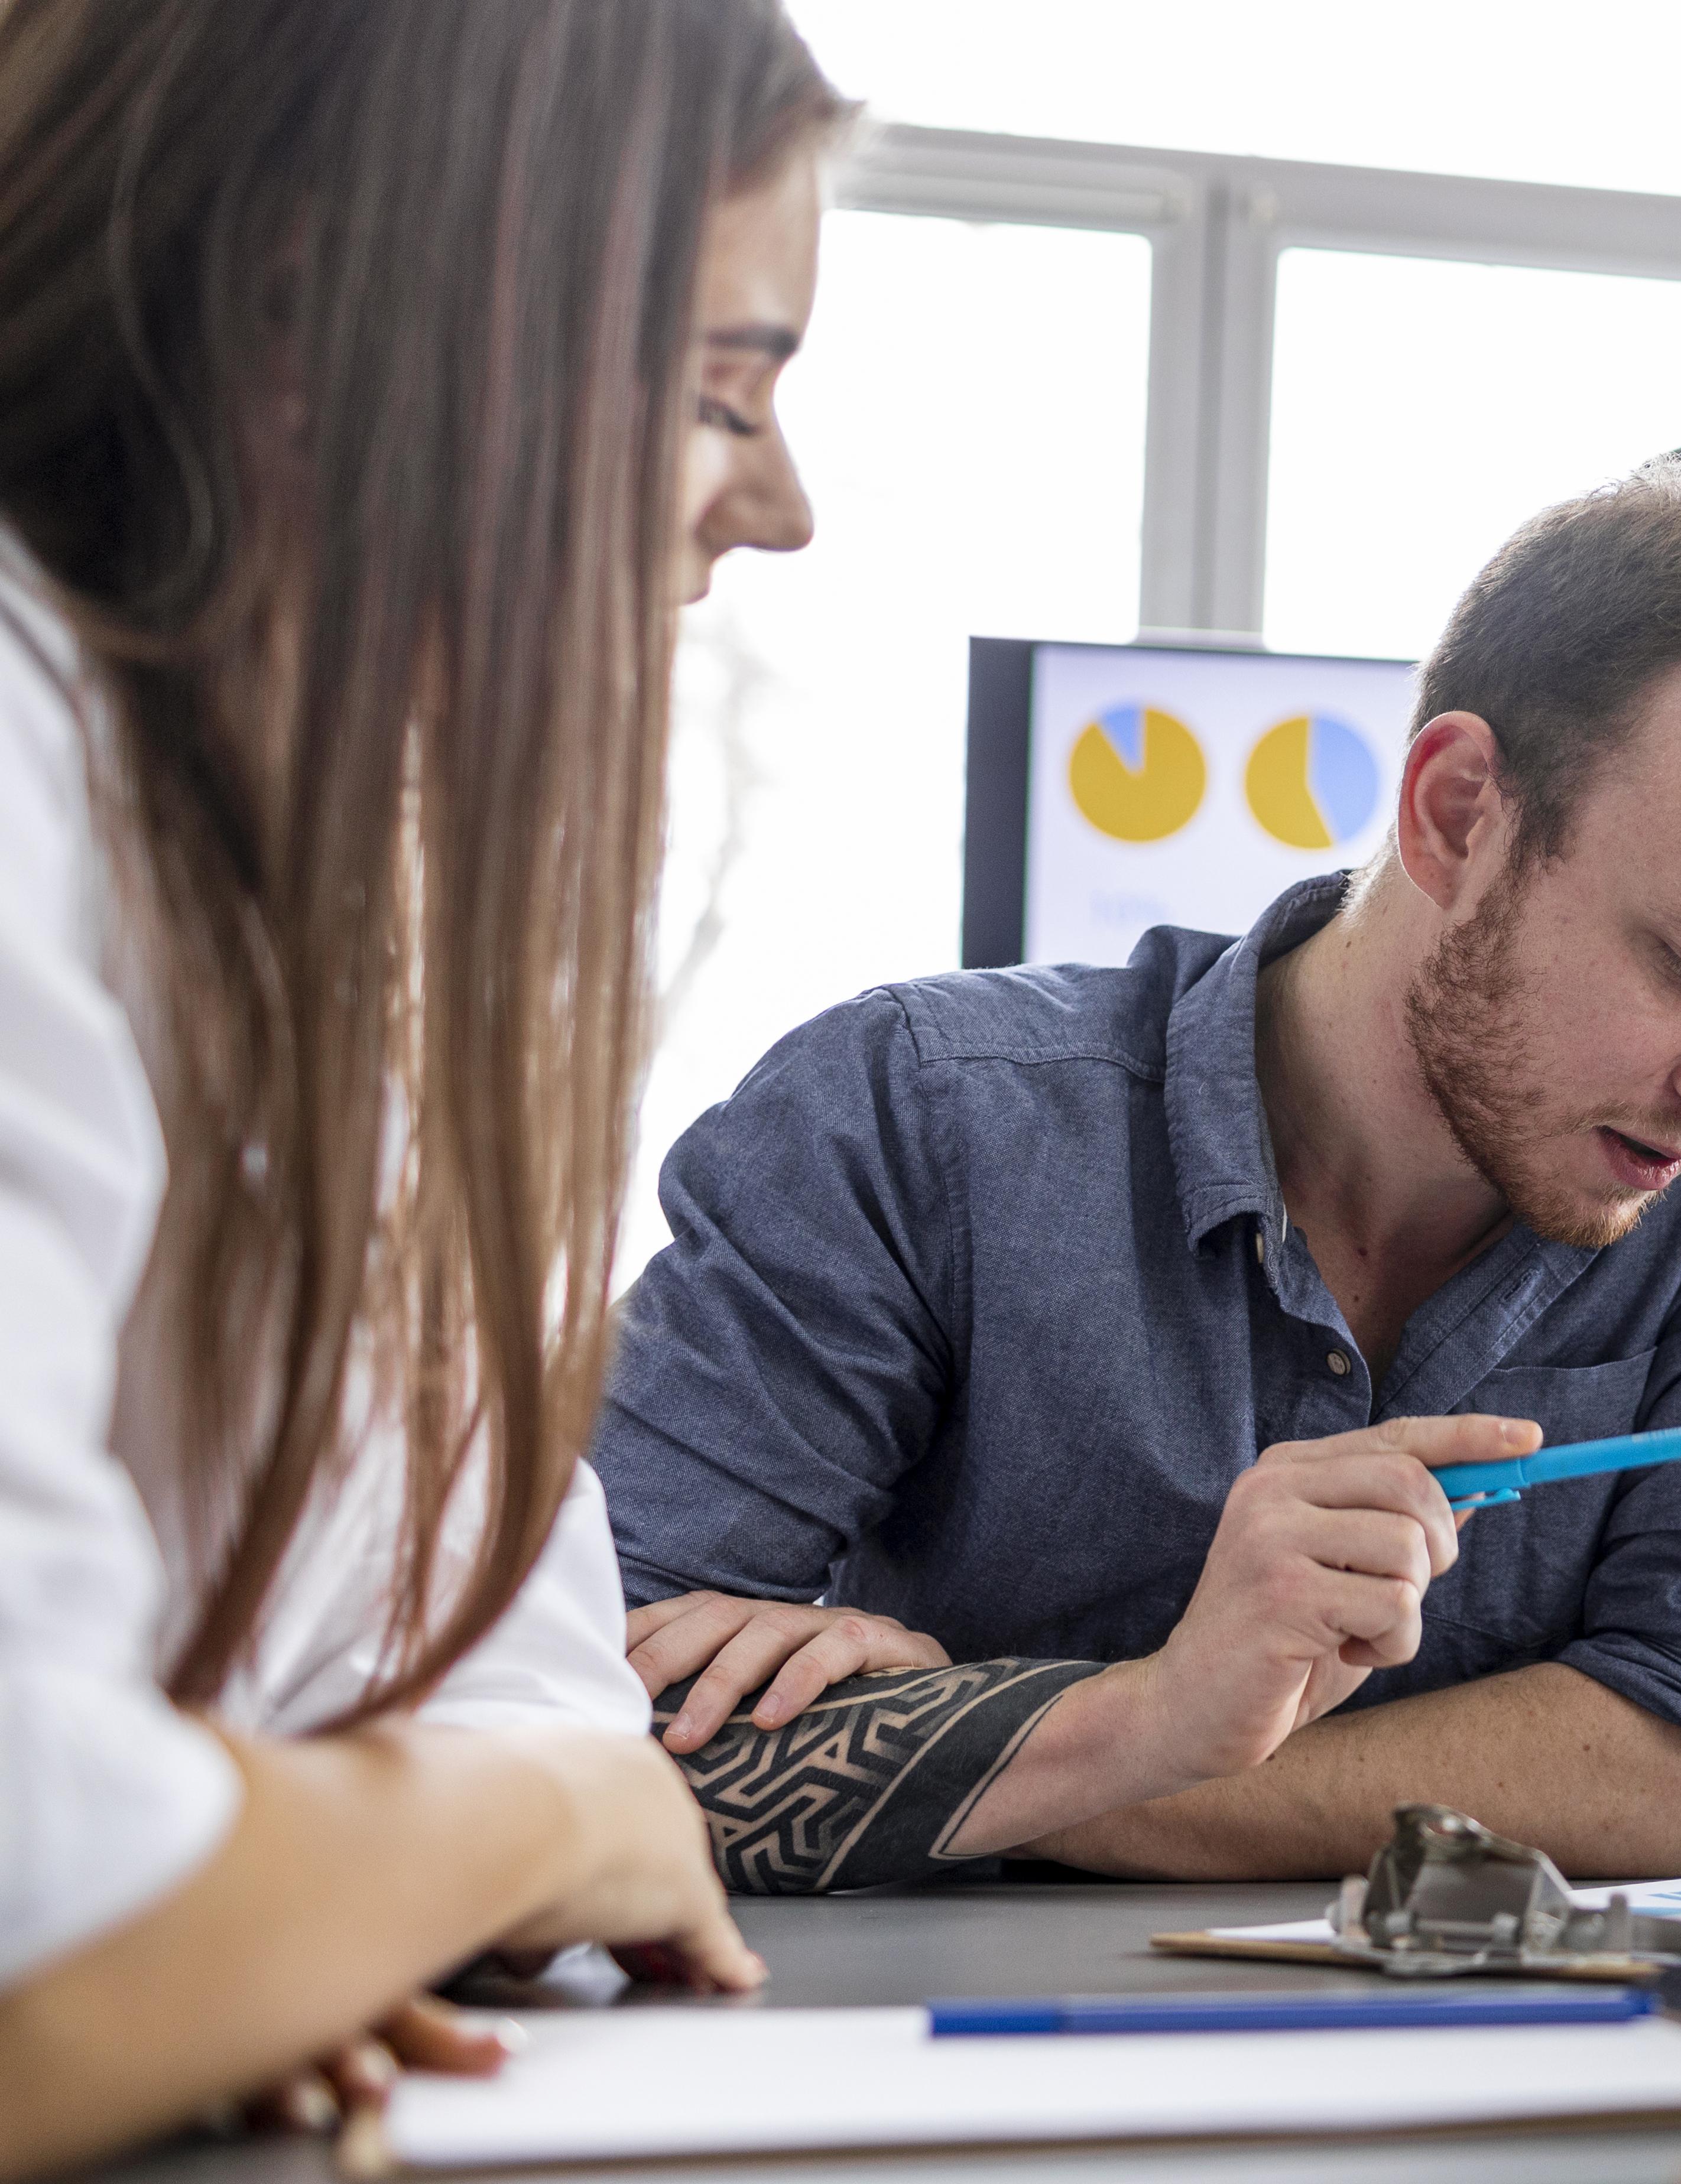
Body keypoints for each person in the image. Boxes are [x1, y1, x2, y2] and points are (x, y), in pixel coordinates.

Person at [591, 461, 1681, 1889]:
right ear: (1455, 814)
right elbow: (574, 1736)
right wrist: (1147, 1716)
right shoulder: (908, 1120)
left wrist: (992, 1741)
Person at [0, 2, 858, 2172]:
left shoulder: (310, 901)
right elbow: (46, 1943)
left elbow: (510, 1663)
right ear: (315, 315)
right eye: (708, 393)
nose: (779, 504)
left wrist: (282, 1896)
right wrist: (442, 1845)